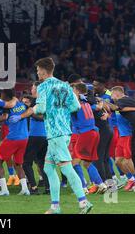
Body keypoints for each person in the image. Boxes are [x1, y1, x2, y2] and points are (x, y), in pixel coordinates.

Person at [33, 57, 93, 214]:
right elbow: (75, 106)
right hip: (65, 130)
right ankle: (55, 206)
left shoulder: (43, 86)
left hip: (55, 133)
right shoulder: (65, 86)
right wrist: (61, 110)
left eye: (38, 70)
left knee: (67, 168)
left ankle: (83, 202)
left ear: (44, 71)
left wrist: (32, 109)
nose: (37, 72)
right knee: (48, 167)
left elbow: (40, 109)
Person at [0, 89, 30, 196]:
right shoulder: (21, 104)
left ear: (6, 97)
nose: (1, 99)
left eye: (2, 96)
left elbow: (3, 117)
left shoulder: (8, 107)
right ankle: (25, 189)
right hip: (24, 138)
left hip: (13, 138)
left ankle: (4, 190)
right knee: (18, 164)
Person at [108, 86, 135, 192]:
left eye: (112, 94)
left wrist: (102, 101)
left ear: (117, 94)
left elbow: (116, 108)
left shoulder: (122, 101)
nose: (112, 97)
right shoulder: (131, 100)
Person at [71, 83, 108, 194]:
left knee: (75, 162)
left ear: (77, 91)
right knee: (87, 163)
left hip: (85, 133)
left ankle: (82, 188)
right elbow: (98, 107)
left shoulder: (75, 105)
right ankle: (101, 184)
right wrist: (100, 101)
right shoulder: (86, 103)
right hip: (94, 133)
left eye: (73, 89)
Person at [22, 83, 49, 195]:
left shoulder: (38, 102)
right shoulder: (46, 100)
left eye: (33, 87)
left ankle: (33, 188)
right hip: (45, 136)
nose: (31, 89)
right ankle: (48, 188)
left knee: (26, 163)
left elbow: (42, 117)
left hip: (35, 136)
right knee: (42, 163)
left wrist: (30, 112)